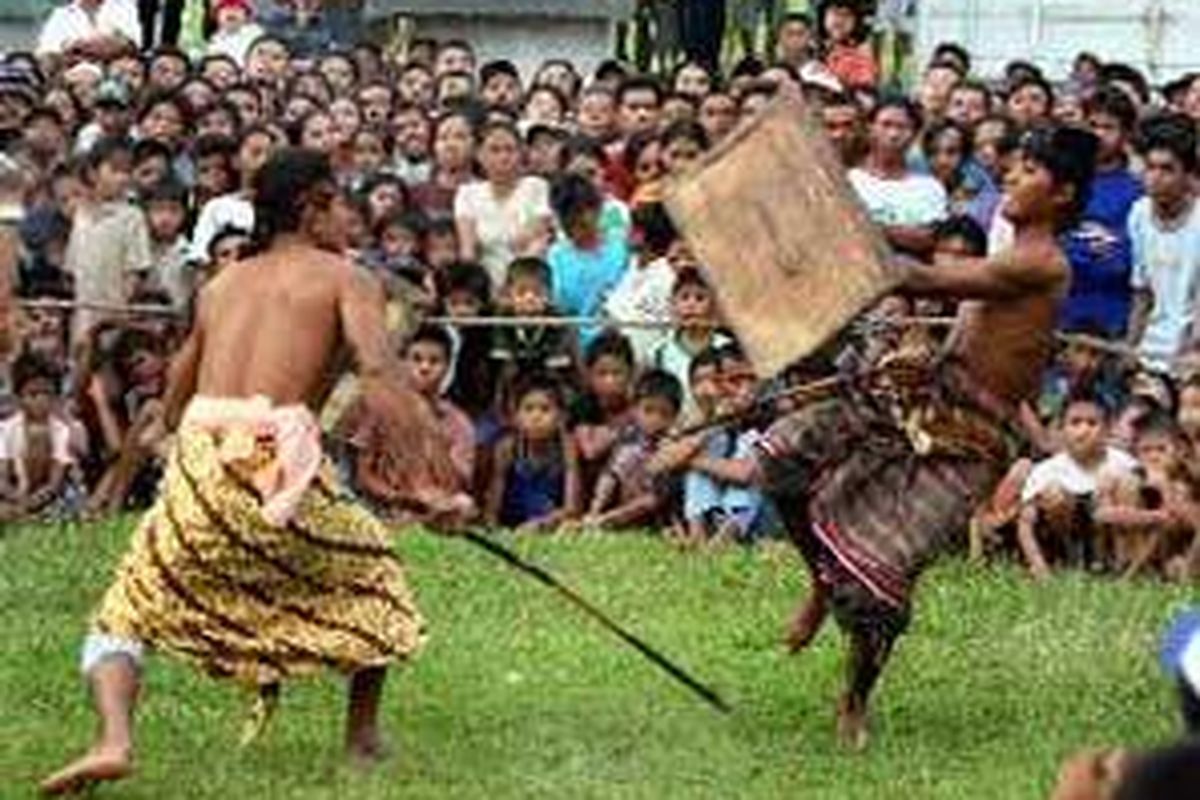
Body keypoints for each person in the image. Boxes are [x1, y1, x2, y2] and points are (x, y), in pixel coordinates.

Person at [38, 148, 469, 795]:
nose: (348, 215)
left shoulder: (220, 285)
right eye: (337, 201)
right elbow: (381, 374)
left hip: (201, 458)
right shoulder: (345, 277)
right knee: (375, 572)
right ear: (309, 207)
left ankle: (114, 740)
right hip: (271, 456)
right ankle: (361, 738)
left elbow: (175, 403)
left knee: (122, 613)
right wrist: (429, 485)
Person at [746, 124, 1099, 748]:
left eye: (1031, 170)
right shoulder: (1004, 238)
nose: (1013, 176)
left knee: (880, 582)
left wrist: (828, 223)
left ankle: (854, 700)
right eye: (1013, 165)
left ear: (1064, 193)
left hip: (972, 436)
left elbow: (925, 281)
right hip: (919, 392)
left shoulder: (1042, 261)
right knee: (777, 458)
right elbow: (940, 295)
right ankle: (820, 582)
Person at [1016, 393, 1137, 580]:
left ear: (1107, 430)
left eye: (1092, 423)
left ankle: (1120, 565)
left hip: (1110, 537)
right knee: (1053, 492)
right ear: (1061, 430)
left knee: (1127, 482)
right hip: (1064, 536)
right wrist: (1038, 565)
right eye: (1075, 423)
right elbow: (1025, 522)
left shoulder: (1125, 463)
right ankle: (1069, 560)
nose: (1084, 430)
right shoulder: (1047, 469)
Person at [1126, 115, 1200, 373]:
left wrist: (1191, 353)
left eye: (1167, 169)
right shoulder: (1138, 214)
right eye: (1151, 167)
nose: (1155, 177)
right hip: (1151, 349)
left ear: (1188, 175)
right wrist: (1131, 347)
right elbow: (1142, 290)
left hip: (1190, 355)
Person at [582, 368, 682, 531]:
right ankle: (597, 518)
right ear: (635, 410)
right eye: (648, 410)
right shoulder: (628, 438)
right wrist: (595, 508)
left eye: (664, 414)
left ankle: (607, 520)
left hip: (659, 510)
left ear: (675, 416)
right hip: (627, 500)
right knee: (614, 472)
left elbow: (658, 496)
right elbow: (610, 475)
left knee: (652, 498)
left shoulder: (673, 444)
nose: (655, 419)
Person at [486, 373, 581, 531]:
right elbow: (493, 505)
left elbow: (572, 508)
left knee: (571, 527)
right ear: (515, 416)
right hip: (512, 521)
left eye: (545, 409)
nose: (536, 417)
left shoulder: (566, 447)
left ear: (561, 417)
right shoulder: (508, 447)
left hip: (550, 520)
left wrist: (541, 524)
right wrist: (493, 527)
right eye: (528, 409)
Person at [0, 353, 77, 521]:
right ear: (18, 397)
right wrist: (18, 497)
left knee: (67, 507)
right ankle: (21, 514)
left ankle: (28, 514)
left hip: (49, 497)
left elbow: (55, 482)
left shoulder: (60, 430)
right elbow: (2, 477)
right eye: (33, 394)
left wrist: (35, 500)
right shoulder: (6, 429)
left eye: (47, 393)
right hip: (14, 493)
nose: (41, 400)